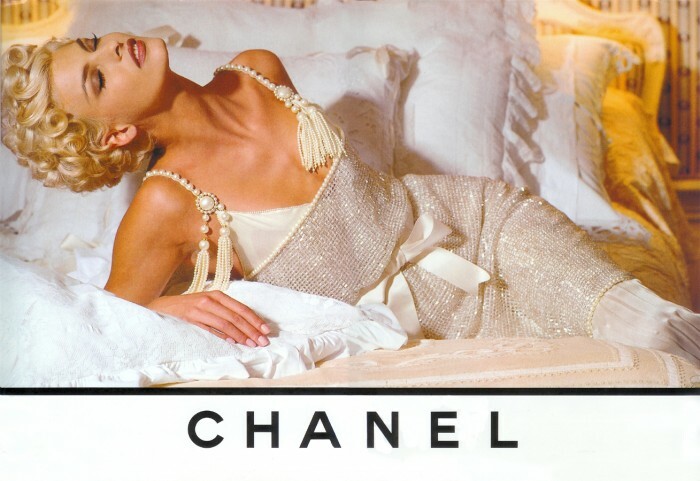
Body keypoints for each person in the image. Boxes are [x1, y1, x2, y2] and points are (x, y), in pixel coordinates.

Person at [2, 34, 699, 365]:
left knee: (652, 328)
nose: (111, 50)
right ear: (116, 134)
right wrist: (163, 305)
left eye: (92, 44)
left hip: (484, 221)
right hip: (420, 318)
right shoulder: (166, 204)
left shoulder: (258, 70)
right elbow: (107, 323)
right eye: (96, 78)